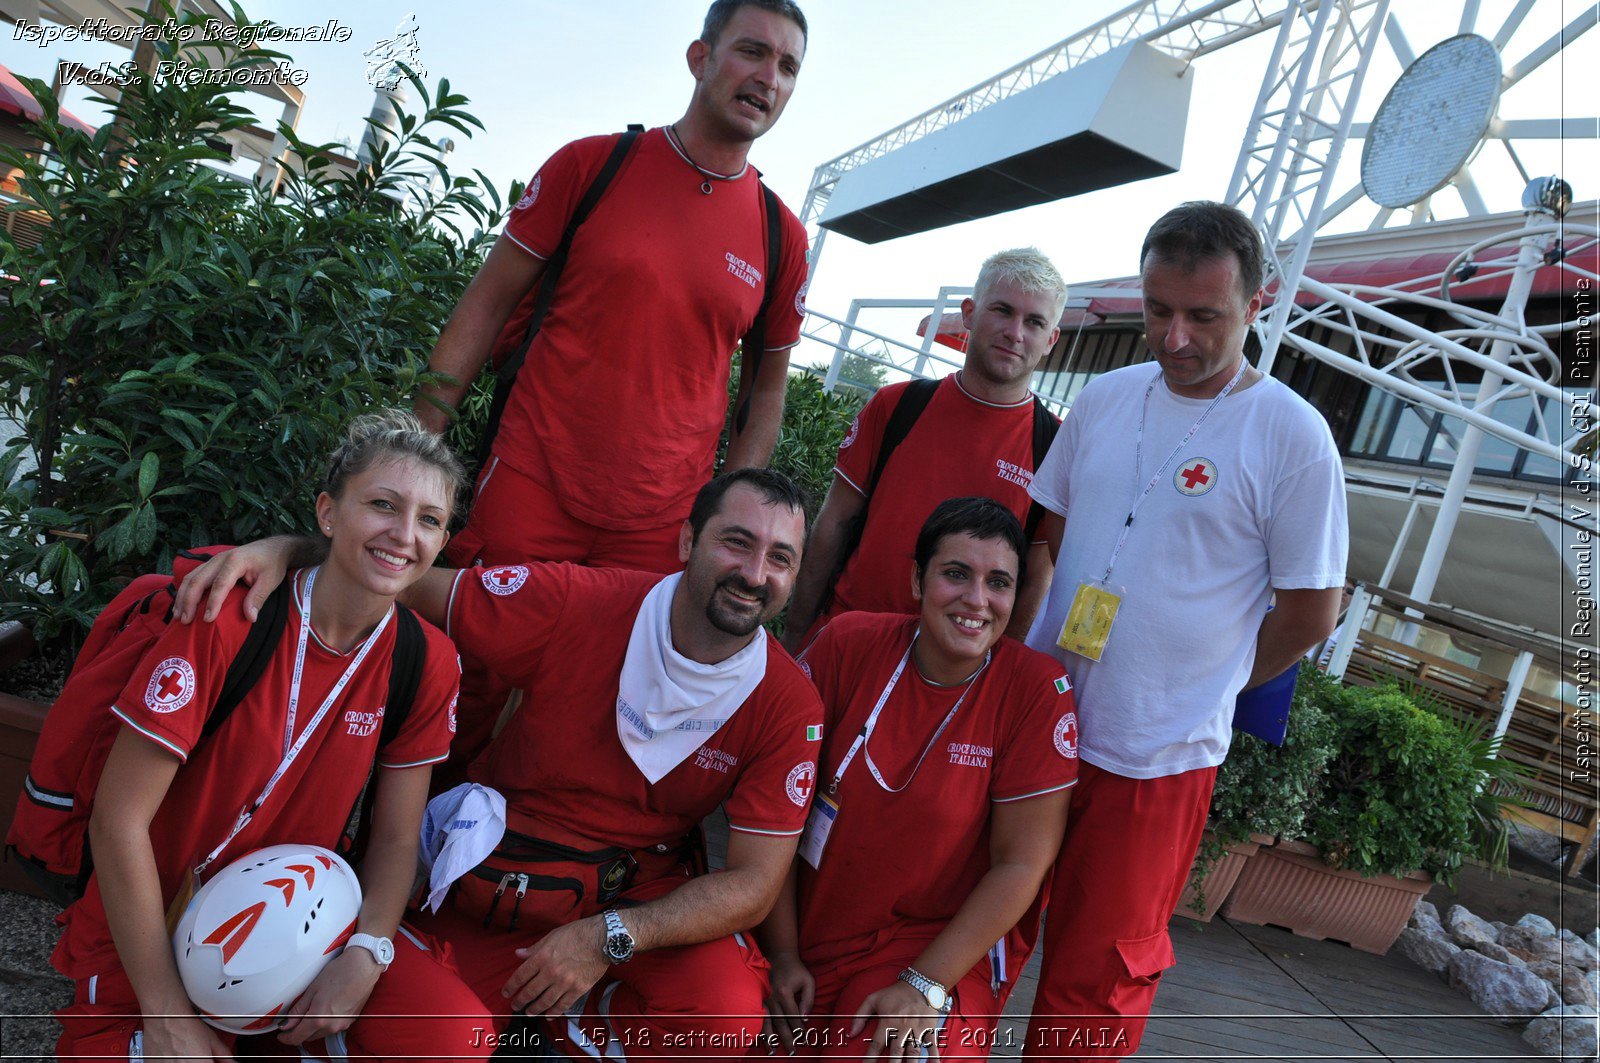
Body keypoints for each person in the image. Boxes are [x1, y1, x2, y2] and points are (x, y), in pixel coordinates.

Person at [175, 468, 825, 1061]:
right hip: (499, 882)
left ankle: (572, 1023)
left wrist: (611, 936)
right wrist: (286, 550)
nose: (754, 572)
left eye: (780, 558)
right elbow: (406, 582)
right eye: (737, 542)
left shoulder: (788, 700)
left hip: (631, 897)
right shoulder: (581, 601)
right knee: (449, 1037)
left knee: (725, 1016)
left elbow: (753, 884)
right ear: (687, 541)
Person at [54, 412, 492, 1062]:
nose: (404, 534)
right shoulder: (230, 616)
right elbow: (118, 820)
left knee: (456, 1033)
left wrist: (368, 952)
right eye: (382, 504)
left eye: (429, 519)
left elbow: (399, 837)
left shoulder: (426, 662)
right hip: (149, 934)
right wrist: (167, 1009)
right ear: (326, 513)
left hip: (298, 938)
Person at [1021, 202, 1348, 1058]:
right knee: (980, 932)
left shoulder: (1291, 434)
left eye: (1203, 316)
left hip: (1155, 758)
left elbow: (1313, 607)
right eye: (1157, 309)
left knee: (1097, 982)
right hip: (1036, 727)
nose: (1172, 337)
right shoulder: (1103, 396)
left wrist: (1214, 683)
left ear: (1258, 302)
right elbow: (1043, 541)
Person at [418, 0, 811, 577]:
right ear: (699, 59)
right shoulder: (591, 165)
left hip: (663, 529)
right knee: (476, 661)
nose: (767, 78)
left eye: (787, 67)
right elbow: (487, 304)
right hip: (529, 482)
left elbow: (766, 396)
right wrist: (416, 447)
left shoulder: (783, 239)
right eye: (751, 51)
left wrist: (727, 522)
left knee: (614, 670)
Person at [761, 498, 1077, 1060]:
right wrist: (782, 953)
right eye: (956, 573)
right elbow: (776, 809)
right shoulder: (848, 643)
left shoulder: (1034, 692)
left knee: (894, 1053)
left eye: (998, 582)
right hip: (805, 931)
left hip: (934, 950)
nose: (976, 600)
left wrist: (924, 984)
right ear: (916, 578)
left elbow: (1022, 863)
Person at [781, 249, 1066, 654]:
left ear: (1051, 339)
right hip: (844, 642)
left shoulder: (1054, 445)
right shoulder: (897, 405)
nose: (1015, 332)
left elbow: (1036, 579)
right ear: (969, 313)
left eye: (1034, 321)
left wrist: (992, 675)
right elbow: (834, 523)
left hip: (949, 674)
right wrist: (796, 635)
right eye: (1002, 311)